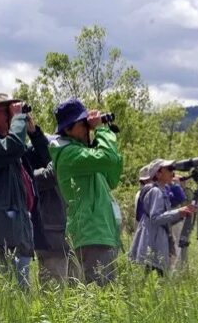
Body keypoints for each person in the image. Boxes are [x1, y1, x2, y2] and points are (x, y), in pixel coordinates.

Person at [0, 93, 49, 290]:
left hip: (20, 226)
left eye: (12, 111)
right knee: (9, 290)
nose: (11, 116)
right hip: (4, 228)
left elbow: (45, 158)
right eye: (6, 111)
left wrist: (34, 133)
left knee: (21, 290)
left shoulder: (13, 146)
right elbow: (12, 147)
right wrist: (18, 120)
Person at [49, 99, 123, 286]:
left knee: (100, 296)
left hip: (100, 231)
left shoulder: (86, 155)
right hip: (92, 233)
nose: (88, 129)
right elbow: (108, 158)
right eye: (83, 125)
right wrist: (102, 131)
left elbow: (112, 176)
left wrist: (103, 137)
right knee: (102, 297)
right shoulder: (70, 155)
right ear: (67, 130)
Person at [129, 159, 195, 275]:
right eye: (169, 169)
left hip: (154, 242)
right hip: (153, 244)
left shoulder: (162, 190)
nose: (172, 173)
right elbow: (156, 218)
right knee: (154, 282)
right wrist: (178, 212)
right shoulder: (156, 192)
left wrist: (181, 212)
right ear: (158, 174)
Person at [33, 161, 69, 284]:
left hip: (57, 234)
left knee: (69, 287)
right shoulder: (40, 174)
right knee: (54, 288)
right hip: (52, 236)